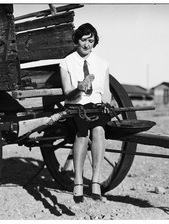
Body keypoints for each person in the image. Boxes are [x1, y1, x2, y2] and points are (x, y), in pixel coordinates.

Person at [59, 23, 111, 203]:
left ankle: (95, 180)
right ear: (77, 40)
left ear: (95, 41)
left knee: (99, 130)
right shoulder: (66, 63)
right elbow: (67, 93)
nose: (87, 44)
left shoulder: (102, 63)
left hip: (95, 107)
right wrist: (79, 88)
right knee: (81, 135)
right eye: (83, 40)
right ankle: (78, 181)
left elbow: (106, 91)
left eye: (91, 40)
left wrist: (107, 103)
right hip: (76, 107)